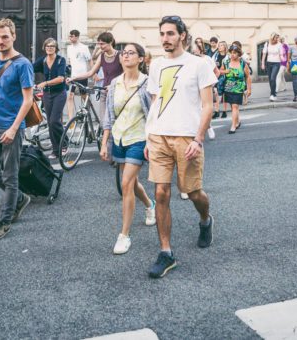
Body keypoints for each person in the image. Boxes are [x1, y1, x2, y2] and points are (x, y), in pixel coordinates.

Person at [144, 15, 216, 279]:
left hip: (187, 137)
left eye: (171, 34)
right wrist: (148, 135)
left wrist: (198, 139)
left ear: (182, 35)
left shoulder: (199, 65)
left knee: (194, 192)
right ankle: (166, 253)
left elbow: (207, 105)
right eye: (162, 34)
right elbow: (155, 102)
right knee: (161, 193)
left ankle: (206, 220)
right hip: (159, 136)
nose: (165, 39)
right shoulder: (156, 65)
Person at [100, 42, 156, 255]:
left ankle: (124, 235)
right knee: (131, 184)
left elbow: (152, 115)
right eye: (124, 53)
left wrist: (152, 142)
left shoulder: (147, 84)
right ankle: (149, 204)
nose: (125, 56)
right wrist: (105, 142)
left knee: (125, 184)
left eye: (131, 53)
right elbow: (108, 115)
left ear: (141, 59)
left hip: (138, 138)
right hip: (119, 138)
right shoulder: (114, 83)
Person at [0, 19, 35, 241]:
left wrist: (14, 129)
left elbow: (28, 100)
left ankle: (4, 221)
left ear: (13, 36)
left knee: (10, 174)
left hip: (11, 127)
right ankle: (20, 198)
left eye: (5, 37)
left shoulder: (22, 64)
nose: (0, 41)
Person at [69, 32, 122, 122]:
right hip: (104, 91)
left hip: (118, 92)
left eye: (102, 44)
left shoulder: (120, 55)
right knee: (103, 121)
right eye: (99, 44)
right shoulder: (101, 56)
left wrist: (114, 84)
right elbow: (90, 73)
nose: (100, 46)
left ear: (110, 42)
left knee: (115, 120)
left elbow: (126, 74)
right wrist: (74, 78)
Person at [33, 38, 67, 159]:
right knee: (50, 123)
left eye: (52, 46)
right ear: (44, 47)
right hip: (47, 95)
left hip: (59, 93)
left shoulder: (60, 60)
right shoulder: (43, 60)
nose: (49, 48)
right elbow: (30, 68)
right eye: (47, 46)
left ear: (56, 48)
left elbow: (61, 78)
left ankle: (64, 143)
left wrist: (45, 83)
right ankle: (55, 149)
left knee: (54, 121)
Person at [221, 45, 251, 133]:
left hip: (239, 88)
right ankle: (237, 121)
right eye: (231, 53)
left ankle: (233, 126)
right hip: (228, 87)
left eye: (234, 53)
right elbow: (219, 71)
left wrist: (249, 89)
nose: (232, 55)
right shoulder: (226, 62)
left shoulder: (243, 63)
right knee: (233, 106)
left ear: (239, 54)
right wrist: (225, 71)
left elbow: (248, 77)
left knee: (235, 106)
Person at [193, 43, 220, 140]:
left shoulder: (207, 59)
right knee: (196, 109)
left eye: (195, 49)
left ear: (200, 49)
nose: (193, 51)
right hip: (194, 89)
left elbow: (217, 72)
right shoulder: (189, 61)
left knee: (205, 108)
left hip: (205, 87)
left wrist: (210, 84)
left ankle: (208, 127)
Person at [66, 30, 92, 119]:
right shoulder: (69, 48)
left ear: (77, 37)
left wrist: (92, 72)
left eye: (72, 36)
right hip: (73, 76)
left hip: (82, 75)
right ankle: (70, 118)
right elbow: (70, 61)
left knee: (83, 95)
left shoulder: (84, 47)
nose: (70, 38)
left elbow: (90, 60)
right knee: (70, 96)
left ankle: (88, 113)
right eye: (69, 36)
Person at [261, 32, 282, 101]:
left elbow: (281, 54)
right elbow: (264, 54)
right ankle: (273, 93)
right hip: (268, 63)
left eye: (277, 38)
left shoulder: (279, 45)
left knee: (273, 78)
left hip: (277, 63)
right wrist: (263, 64)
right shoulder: (267, 44)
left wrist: (284, 62)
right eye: (276, 38)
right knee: (270, 79)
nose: (277, 39)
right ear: (272, 38)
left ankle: (273, 94)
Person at [213, 41, 228, 119]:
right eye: (219, 45)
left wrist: (221, 71)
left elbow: (229, 70)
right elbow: (212, 66)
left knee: (224, 94)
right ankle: (216, 111)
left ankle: (224, 111)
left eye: (221, 45)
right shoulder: (215, 56)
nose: (219, 47)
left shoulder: (228, 57)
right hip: (216, 77)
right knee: (216, 94)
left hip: (225, 77)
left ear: (225, 47)